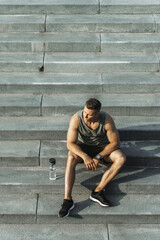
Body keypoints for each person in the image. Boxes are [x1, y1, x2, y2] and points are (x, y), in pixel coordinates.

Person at [58, 98, 126, 218]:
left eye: (89, 115)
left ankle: (97, 191)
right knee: (70, 157)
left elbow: (115, 143)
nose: (85, 116)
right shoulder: (76, 118)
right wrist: (85, 156)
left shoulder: (107, 120)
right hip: (83, 148)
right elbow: (70, 143)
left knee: (121, 158)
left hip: (102, 149)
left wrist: (99, 156)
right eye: (84, 112)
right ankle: (67, 200)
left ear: (97, 114)